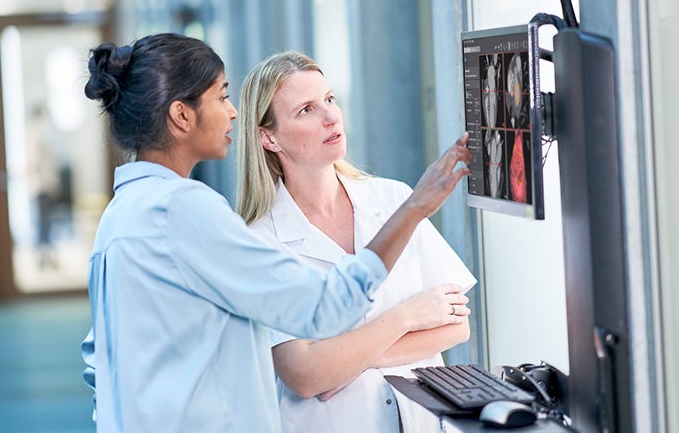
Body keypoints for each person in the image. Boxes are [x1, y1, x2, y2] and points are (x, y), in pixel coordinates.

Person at [79, 33, 472, 433]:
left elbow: (98, 365)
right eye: (220, 97)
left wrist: (341, 359)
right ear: (182, 116)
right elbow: (323, 318)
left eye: (330, 100)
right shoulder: (185, 210)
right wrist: (414, 215)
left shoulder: (121, 216)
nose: (233, 113)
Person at [235, 50, 478, 433]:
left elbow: (456, 327)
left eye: (330, 100)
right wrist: (408, 316)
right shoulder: (259, 242)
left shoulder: (393, 200)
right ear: (268, 138)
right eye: (306, 110)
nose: (331, 117)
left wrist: (342, 360)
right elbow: (304, 374)